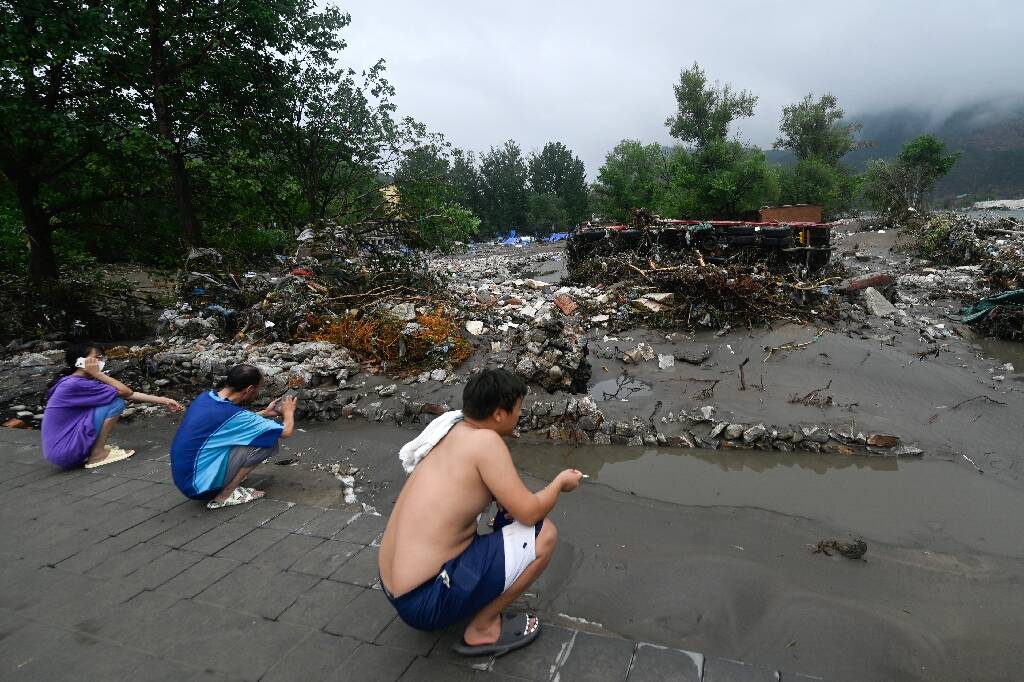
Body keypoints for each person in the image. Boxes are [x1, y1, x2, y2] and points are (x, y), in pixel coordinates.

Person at [378, 368, 583, 657]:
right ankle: (483, 629)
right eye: (518, 409)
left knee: (504, 517)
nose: (520, 416)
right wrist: (560, 483)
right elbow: (529, 512)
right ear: (499, 414)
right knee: (544, 534)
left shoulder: (452, 427)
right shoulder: (486, 443)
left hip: (392, 585)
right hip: (423, 603)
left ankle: (466, 597)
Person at [170, 364, 296, 509]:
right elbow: (286, 432)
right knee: (269, 441)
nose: (257, 393)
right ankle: (225, 495)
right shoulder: (234, 416)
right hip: (199, 487)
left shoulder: (206, 398)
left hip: (186, 478)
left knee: (256, 435)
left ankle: (225, 479)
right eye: (258, 389)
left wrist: (264, 413)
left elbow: (226, 423)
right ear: (249, 389)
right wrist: (288, 412)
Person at [42, 342, 183, 470]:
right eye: (96, 357)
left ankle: (93, 449)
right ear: (81, 361)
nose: (100, 361)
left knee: (112, 400)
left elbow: (128, 394)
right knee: (115, 403)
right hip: (65, 451)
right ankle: (97, 454)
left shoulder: (73, 381)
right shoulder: (75, 384)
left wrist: (164, 400)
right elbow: (125, 392)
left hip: (60, 451)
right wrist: (98, 374)